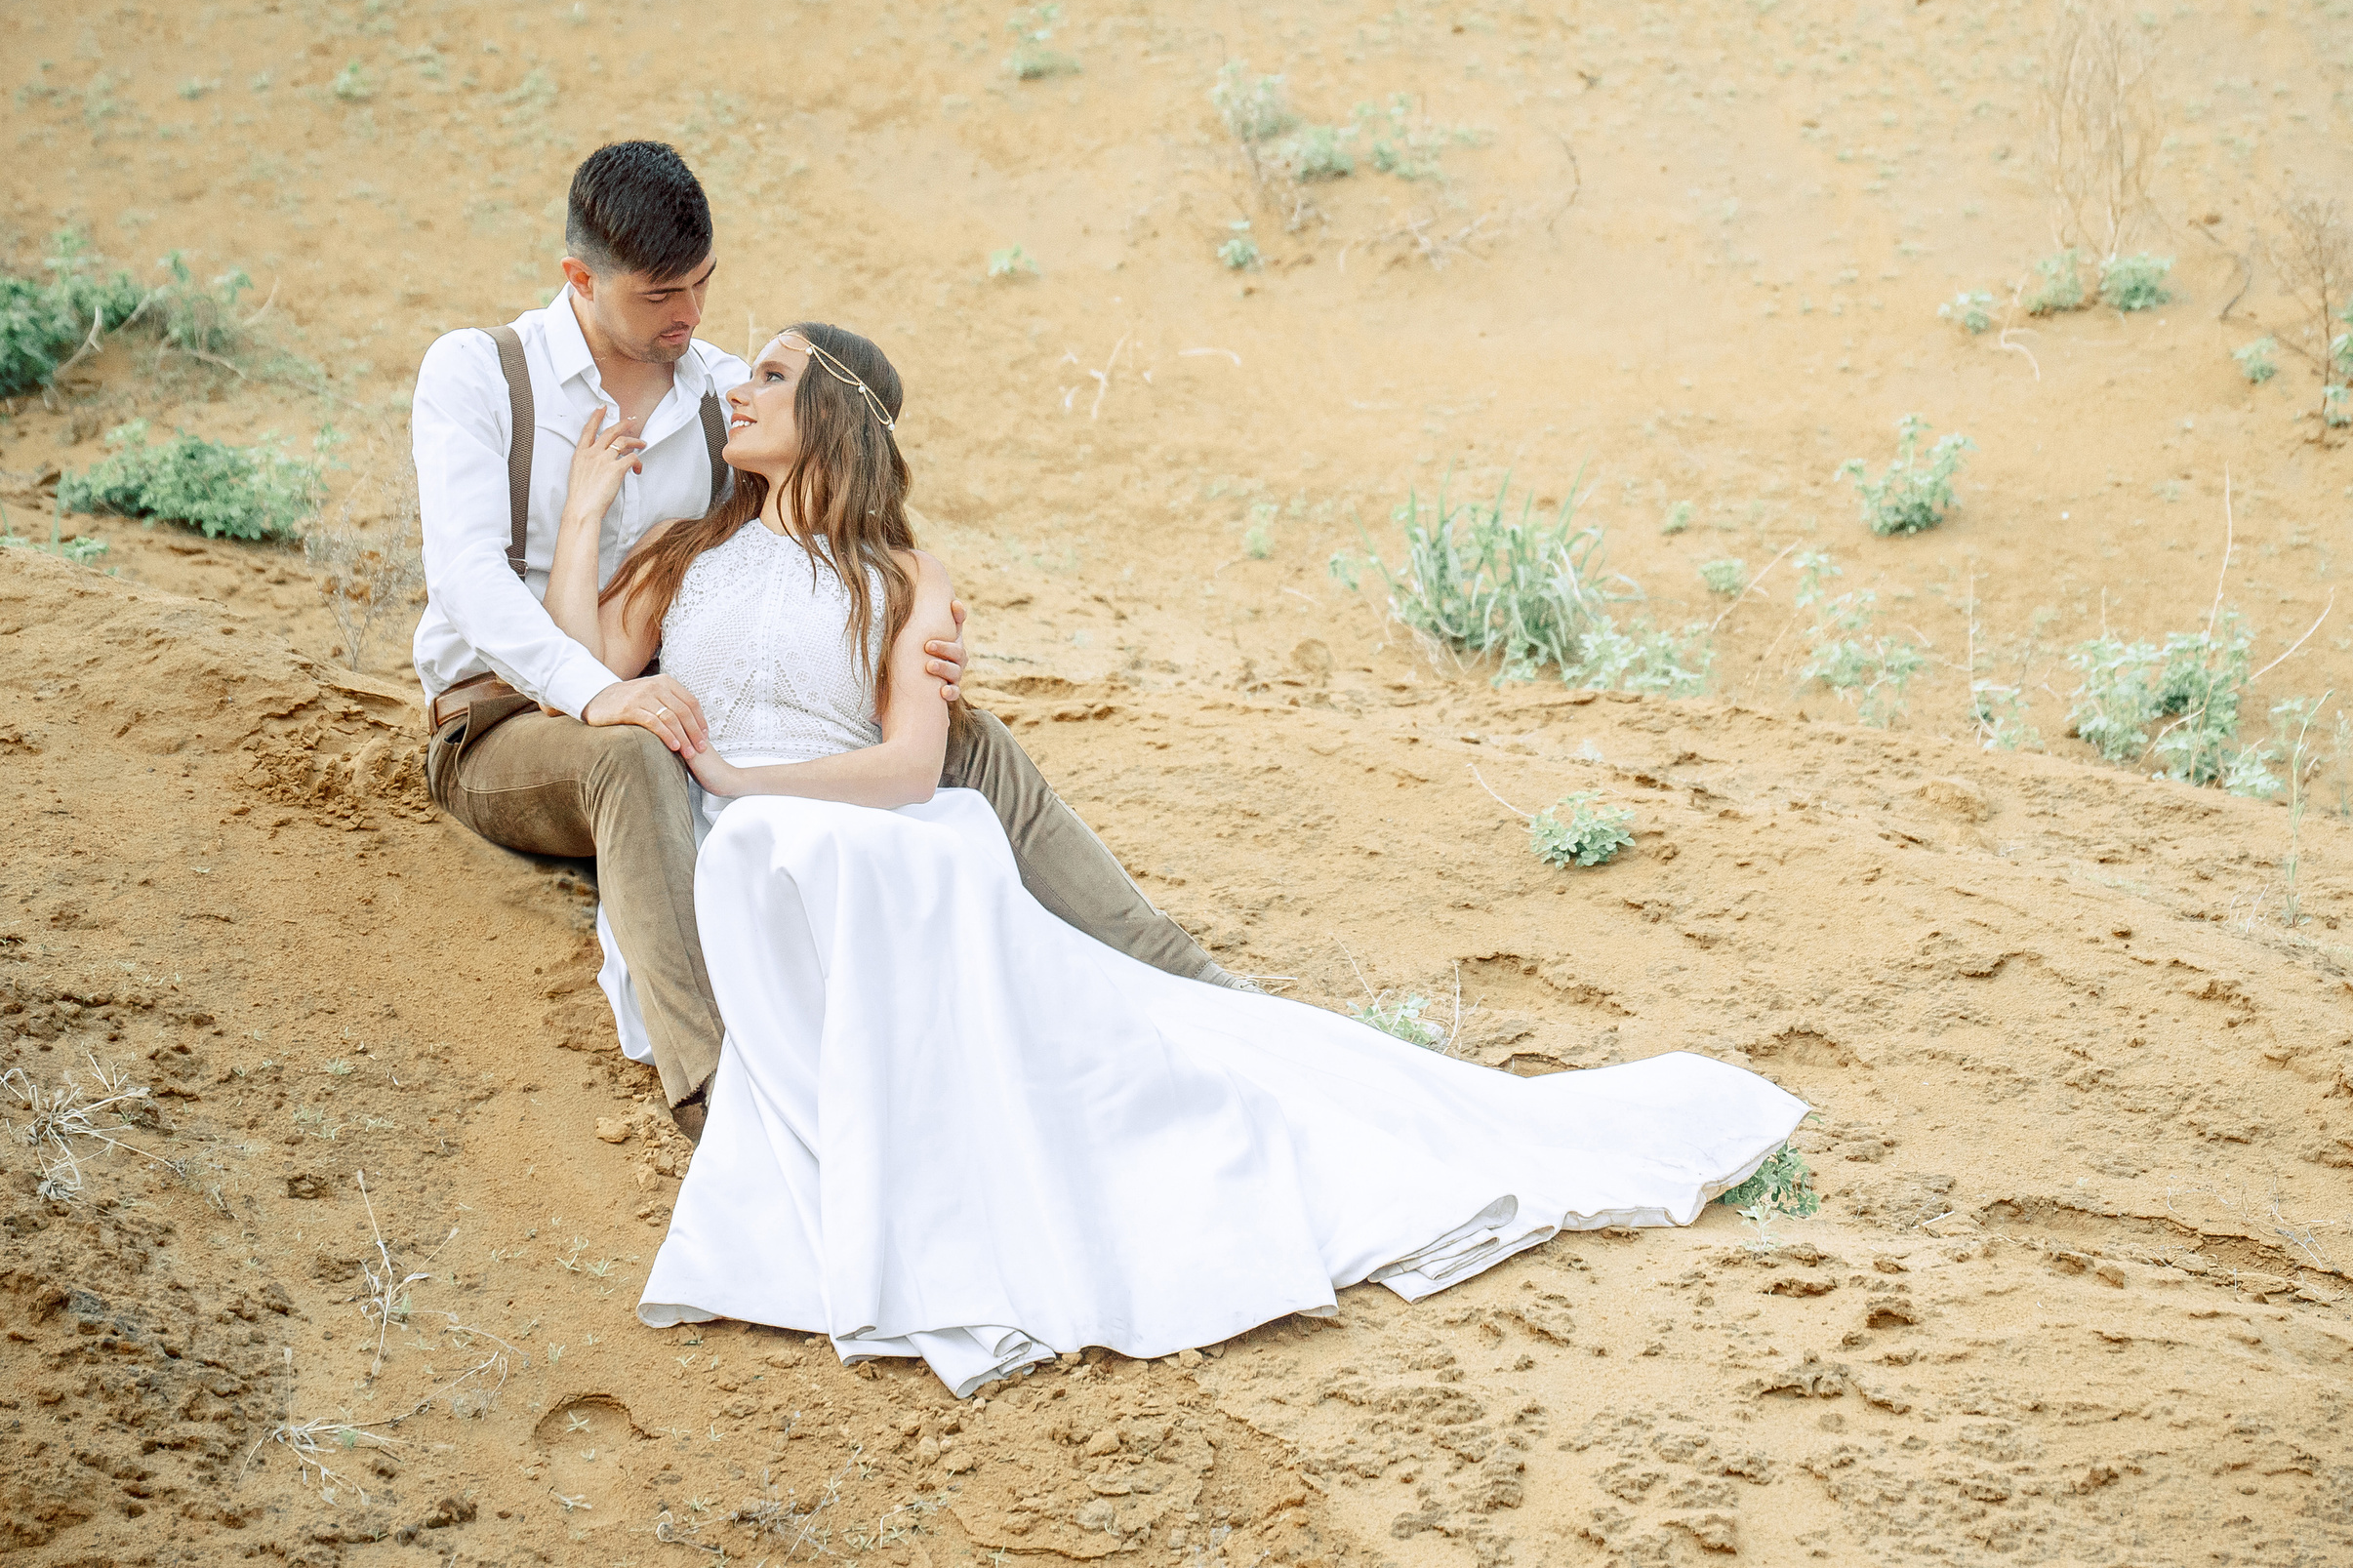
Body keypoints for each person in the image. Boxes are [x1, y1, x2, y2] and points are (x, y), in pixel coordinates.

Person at [542, 318, 1810, 1397]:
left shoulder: (902, 576)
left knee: (961, 912)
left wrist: (747, 777)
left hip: (858, 821)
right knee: (783, 861)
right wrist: (590, 509)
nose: (737, 390)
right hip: (732, 834)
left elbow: (910, 769)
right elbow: (579, 672)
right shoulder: (688, 555)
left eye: (769, 373)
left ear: (834, 416)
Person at [411, 141, 1240, 1146]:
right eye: (662, 293)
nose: (692, 317)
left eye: (704, 286)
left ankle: (1178, 974)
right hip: (511, 718)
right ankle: (714, 1092)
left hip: (682, 704)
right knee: (630, 756)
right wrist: (597, 690)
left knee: (959, 736)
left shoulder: (721, 392)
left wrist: (910, 637)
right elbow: (465, 579)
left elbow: (823, 466)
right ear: (580, 279)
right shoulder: (481, 372)